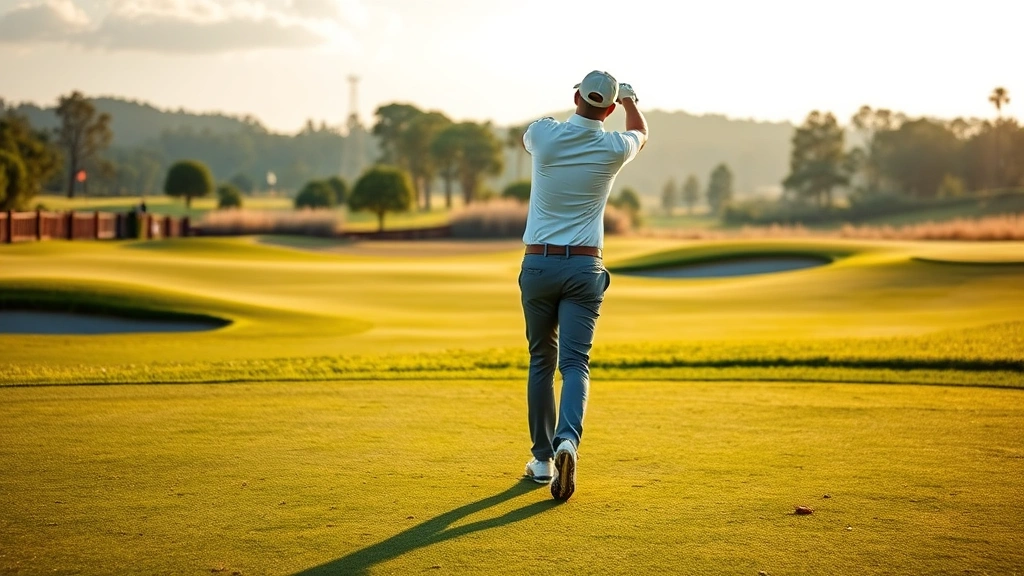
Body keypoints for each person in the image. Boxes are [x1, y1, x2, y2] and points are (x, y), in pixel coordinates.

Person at [519, 70, 648, 501]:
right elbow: (641, 133)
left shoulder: (544, 134)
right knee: (574, 363)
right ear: (609, 110)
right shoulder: (614, 147)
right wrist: (629, 100)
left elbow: (529, 137)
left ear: (576, 97)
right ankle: (568, 443)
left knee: (541, 360)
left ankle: (541, 461)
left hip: (539, 265)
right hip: (584, 269)